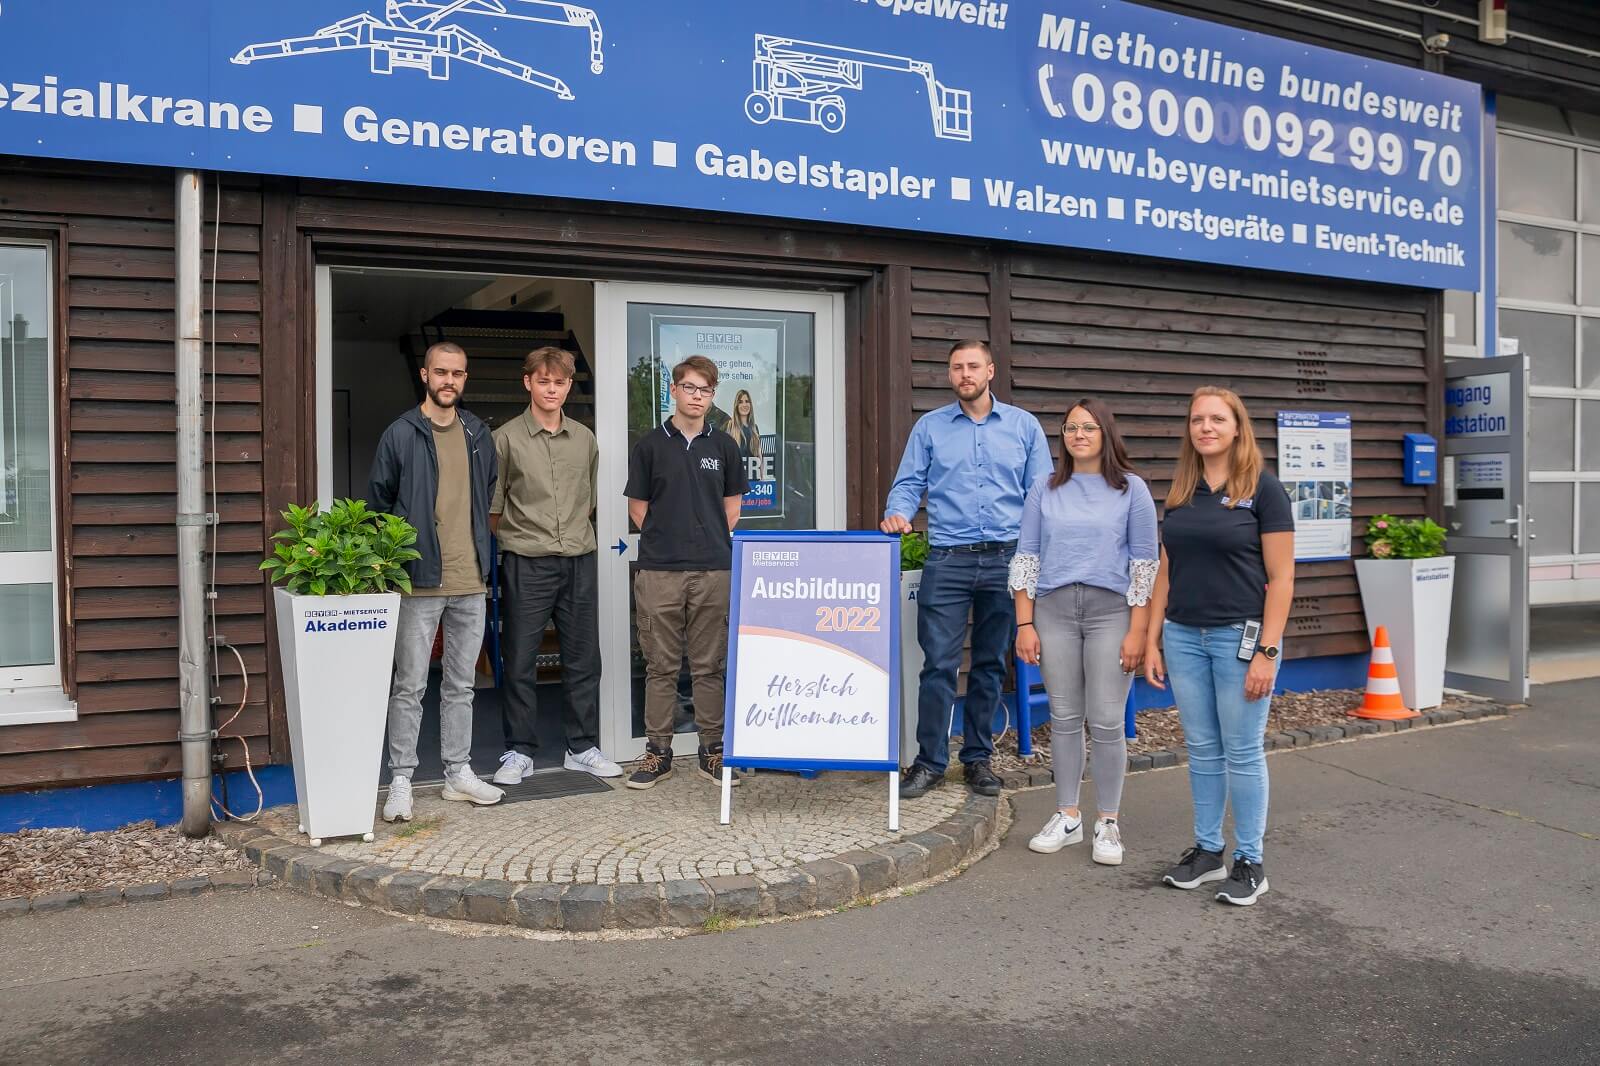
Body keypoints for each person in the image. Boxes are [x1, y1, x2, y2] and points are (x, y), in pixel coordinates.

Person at [881, 339, 1053, 799]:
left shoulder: (1023, 427)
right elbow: (908, 483)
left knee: (991, 665)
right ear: (951, 374)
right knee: (937, 665)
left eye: (973, 366)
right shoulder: (931, 427)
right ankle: (930, 762)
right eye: (957, 367)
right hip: (948, 560)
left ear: (990, 371)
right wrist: (898, 512)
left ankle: (978, 759)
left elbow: (1041, 497)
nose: (964, 374)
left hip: (1006, 560)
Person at [1144, 386, 1295, 906]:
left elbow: (1283, 578)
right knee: (1204, 750)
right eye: (1196, 420)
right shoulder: (1183, 491)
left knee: (1244, 751)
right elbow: (1167, 569)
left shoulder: (1264, 490)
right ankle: (1208, 853)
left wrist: (1267, 652)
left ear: (1236, 427)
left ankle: (1250, 862)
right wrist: (1153, 638)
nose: (1205, 428)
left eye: (1216, 419)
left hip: (1240, 636)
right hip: (1183, 636)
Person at [1011, 398, 1157, 864]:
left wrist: (1139, 631)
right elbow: (1027, 556)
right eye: (1071, 427)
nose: (1078, 435)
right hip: (1052, 611)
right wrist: (1025, 623)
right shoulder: (1044, 487)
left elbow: (1144, 564)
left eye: (1088, 428)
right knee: (1065, 716)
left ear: (1105, 434)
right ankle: (1068, 814)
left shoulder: (1132, 490)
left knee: (1108, 718)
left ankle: (1108, 822)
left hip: (1111, 612)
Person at [368, 340, 504, 822]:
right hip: (419, 581)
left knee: (461, 684)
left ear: (465, 379)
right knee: (409, 685)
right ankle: (400, 779)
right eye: (441, 372)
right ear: (425, 375)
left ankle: (457, 774)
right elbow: (379, 504)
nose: (450, 381)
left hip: (470, 579)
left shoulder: (476, 433)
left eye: (458, 374)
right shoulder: (401, 434)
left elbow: (486, 491)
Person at [489, 346, 622, 785]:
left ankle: (580, 747)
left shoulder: (584, 439)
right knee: (521, 659)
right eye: (543, 381)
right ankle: (519, 751)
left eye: (560, 382)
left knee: (584, 658)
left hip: (579, 560)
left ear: (568, 386)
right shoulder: (505, 438)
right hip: (527, 562)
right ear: (528, 382)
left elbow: (588, 502)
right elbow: (494, 508)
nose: (552, 389)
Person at [623, 355, 748, 789]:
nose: (697, 397)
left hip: (714, 569)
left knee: (709, 665)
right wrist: (672, 538)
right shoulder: (650, 445)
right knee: (659, 666)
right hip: (660, 571)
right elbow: (638, 509)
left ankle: (711, 751)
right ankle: (658, 752)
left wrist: (702, 539)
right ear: (674, 391)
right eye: (690, 388)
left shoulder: (725, 446)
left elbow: (732, 509)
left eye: (706, 390)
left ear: (713, 397)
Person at [729, 389, 763, 462]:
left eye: (747, 401)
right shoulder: (730, 426)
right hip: (736, 472)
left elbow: (760, 457)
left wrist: (761, 473)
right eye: (740, 402)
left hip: (753, 471)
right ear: (736, 406)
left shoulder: (755, 428)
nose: (744, 405)